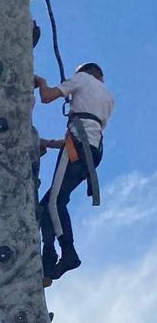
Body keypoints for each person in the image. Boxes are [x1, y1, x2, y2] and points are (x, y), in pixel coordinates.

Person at [34, 62, 114, 281]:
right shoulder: (107, 98)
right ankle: (48, 260)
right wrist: (45, 143)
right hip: (91, 153)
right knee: (47, 204)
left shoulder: (81, 79)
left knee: (54, 203)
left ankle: (68, 252)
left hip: (76, 150)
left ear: (85, 73)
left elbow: (47, 96)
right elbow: (85, 134)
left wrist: (40, 82)